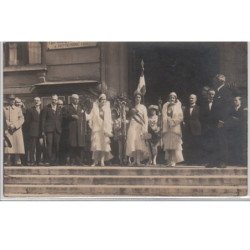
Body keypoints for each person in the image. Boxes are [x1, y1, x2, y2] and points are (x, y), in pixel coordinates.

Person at [209, 74, 232, 168]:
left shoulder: (226, 91)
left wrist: (222, 120)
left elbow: (226, 108)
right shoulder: (217, 91)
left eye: (216, 80)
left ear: (221, 81)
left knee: (222, 141)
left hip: (221, 121)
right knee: (215, 141)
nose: (214, 81)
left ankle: (223, 161)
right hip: (214, 121)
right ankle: (215, 161)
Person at [86, 93, 113, 166]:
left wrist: (109, 129)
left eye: (104, 99)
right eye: (102, 99)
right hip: (97, 129)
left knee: (104, 145)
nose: (103, 101)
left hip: (104, 129)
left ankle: (102, 161)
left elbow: (109, 119)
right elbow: (90, 116)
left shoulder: (107, 109)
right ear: (99, 100)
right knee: (96, 145)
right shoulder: (95, 108)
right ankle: (95, 161)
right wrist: (83, 114)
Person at [126, 91, 149, 166]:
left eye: (139, 97)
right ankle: (134, 161)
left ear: (141, 98)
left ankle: (138, 161)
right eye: (136, 97)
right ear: (134, 98)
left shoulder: (143, 107)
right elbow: (129, 118)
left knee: (139, 143)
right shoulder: (131, 107)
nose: (138, 98)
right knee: (133, 142)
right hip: (132, 126)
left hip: (140, 126)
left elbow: (145, 118)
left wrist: (145, 129)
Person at [162, 92, 184, 167]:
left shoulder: (178, 107)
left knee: (174, 145)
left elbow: (181, 117)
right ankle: (169, 161)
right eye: (171, 97)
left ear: (175, 99)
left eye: (173, 98)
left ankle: (173, 161)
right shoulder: (165, 106)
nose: (172, 99)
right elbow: (163, 117)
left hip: (175, 128)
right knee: (168, 145)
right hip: (167, 128)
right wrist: (166, 121)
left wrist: (173, 122)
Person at [41, 94, 63, 165]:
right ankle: (49, 160)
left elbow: (61, 120)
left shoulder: (59, 108)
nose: (54, 101)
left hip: (57, 130)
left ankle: (56, 161)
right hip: (49, 130)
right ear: (51, 100)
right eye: (53, 99)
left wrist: (60, 128)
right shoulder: (46, 108)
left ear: (57, 100)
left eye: (55, 100)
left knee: (56, 145)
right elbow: (43, 120)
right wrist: (43, 130)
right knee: (49, 145)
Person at [3, 94, 25, 166]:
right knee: (8, 146)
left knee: (17, 145)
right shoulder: (4, 109)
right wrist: (9, 125)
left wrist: (15, 125)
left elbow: (21, 119)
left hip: (17, 130)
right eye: (10, 99)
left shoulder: (18, 109)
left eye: (13, 99)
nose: (12, 101)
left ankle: (17, 161)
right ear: (8, 100)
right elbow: (3, 119)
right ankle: (7, 161)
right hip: (8, 130)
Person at [65, 94, 87, 165]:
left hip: (80, 129)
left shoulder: (81, 107)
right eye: (75, 99)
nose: (77, 100)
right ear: (72, 99)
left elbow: (84, 119)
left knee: (79, 145)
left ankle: (79, 161)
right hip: (72, 129)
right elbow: (64, 116)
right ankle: (72, 161)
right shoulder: (67, 107)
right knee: (72, 145)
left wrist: (85, 129)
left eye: (77, 99)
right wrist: (71, 116)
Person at [226, 96, 246, 165]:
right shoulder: (231, 109)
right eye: (234, 100)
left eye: (236, 100)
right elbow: (228, 118)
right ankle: (234, 161)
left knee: (240, 145)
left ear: (240, 101)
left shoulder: (244, 109)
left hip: (241, 130)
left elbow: (244, 120)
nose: (234, 102)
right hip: (233, 130)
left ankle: (241, 161)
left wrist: (236, 119)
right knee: (233, 145)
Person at [183, 94, 202, 165]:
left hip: (196, 128)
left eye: (192, 98)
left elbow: (201, 118)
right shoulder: (186, 108)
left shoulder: (199, 108)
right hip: (188, 128)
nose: (191, 99)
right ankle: (190, 160)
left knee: (196, 144)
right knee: (189, 145)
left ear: (196, 99)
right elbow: (184, 118)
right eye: (190, 98)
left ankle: (197, 161)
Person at [200, 89, 217, 166]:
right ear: (207, 95)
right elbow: (201, 115)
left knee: (215, 144)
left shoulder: (217, 103)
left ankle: (214, 161)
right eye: (210, 94)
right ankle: (208, 161)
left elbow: (218, 114)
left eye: (213, 94)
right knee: (207, 144)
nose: (211, 96)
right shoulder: (203, 104)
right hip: (206, 127)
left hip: (215, 127)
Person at [26, 97, 43, 166]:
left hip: (40, 131)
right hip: (33, 131)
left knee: (39, 146)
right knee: (32, 147)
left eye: (38, 100)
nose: (36, 102)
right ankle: (32, 161)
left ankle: (38, 161)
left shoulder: (43, 110)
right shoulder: (30, 110)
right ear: (33, 101)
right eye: (35, 100)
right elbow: (27, 121)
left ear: (40, 102)